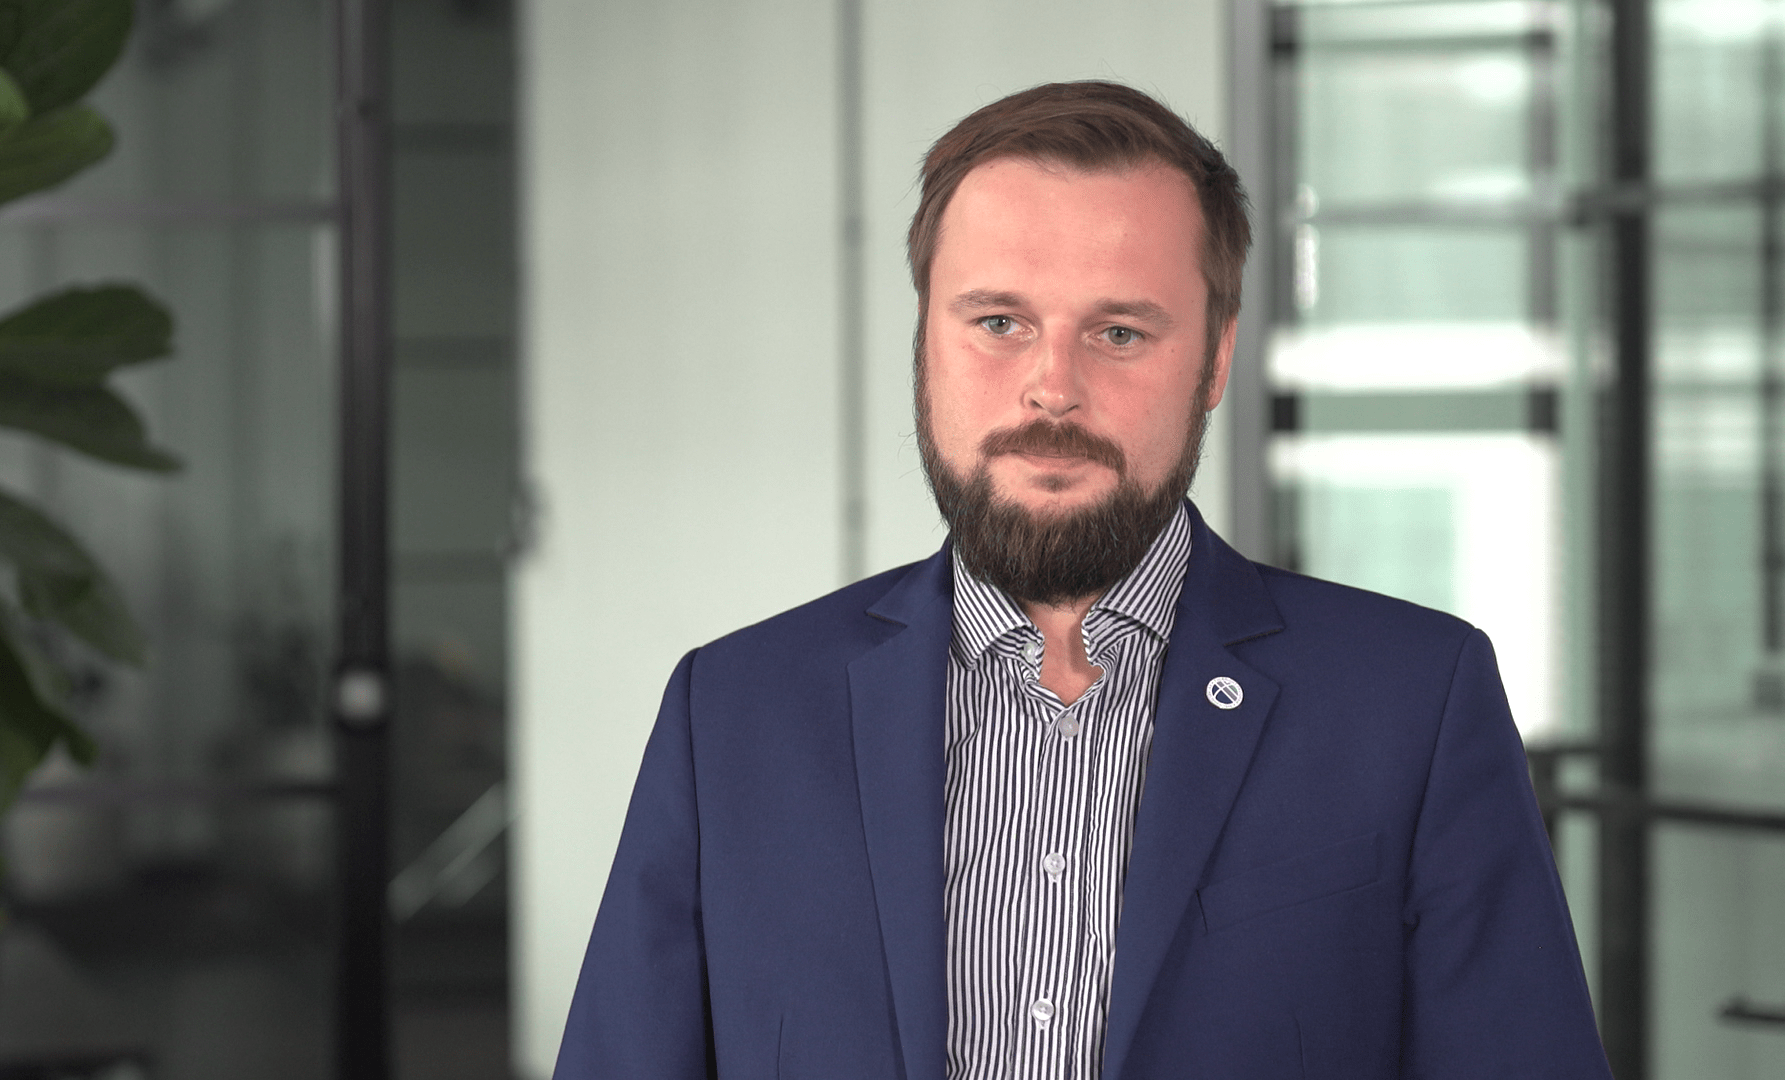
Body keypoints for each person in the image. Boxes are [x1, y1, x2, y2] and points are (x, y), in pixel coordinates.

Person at [553, 81, 1610, 1079]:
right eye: (998, 323)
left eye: (1119, 332)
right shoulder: (730, 714)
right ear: (924, 341)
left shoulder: (1413, 704)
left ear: (1215, 358)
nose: (1052, 387)